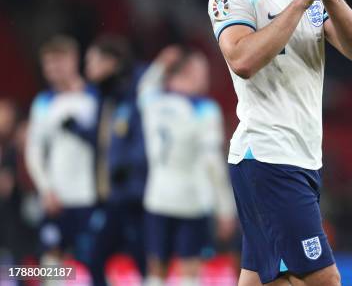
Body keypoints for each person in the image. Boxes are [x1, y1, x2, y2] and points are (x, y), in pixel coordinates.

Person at [207, 0, 352, 286]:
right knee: (323, 279)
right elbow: (242, 59)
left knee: (268, 279)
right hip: (266, 154)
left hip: (301, 156)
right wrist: (303, 0)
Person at [137, 46, 236, 286]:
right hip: (192, 200)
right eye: (202, 69)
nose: (206, 75)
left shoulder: (154, 102)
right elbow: (212, 163)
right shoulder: (204, 110)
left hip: (157, 197)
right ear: (189, 72)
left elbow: (144, 88)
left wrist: (160, 63)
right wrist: (225, 208)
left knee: (156, 269)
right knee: (189, 271)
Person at [24, 35, 98, 270]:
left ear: (73, 60)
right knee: (51, 262)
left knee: (92, 262)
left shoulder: (94, 98)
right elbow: (34, 151)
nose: (52, 69)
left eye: (58, 61)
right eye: (48, 64)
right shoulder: (43, 102)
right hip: (57, 197)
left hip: (90, 195)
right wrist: (46, 190)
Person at [81, 34, 148, 286]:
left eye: (93, 62)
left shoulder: (136, 94)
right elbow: (106, 141)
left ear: (112, 62)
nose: (87, 70)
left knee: (141, 259)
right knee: (95, 256)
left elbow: (141, 141)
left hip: (133, 196)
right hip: (111, 196)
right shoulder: (106, 98)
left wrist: (129, 168)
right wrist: (78, 131)